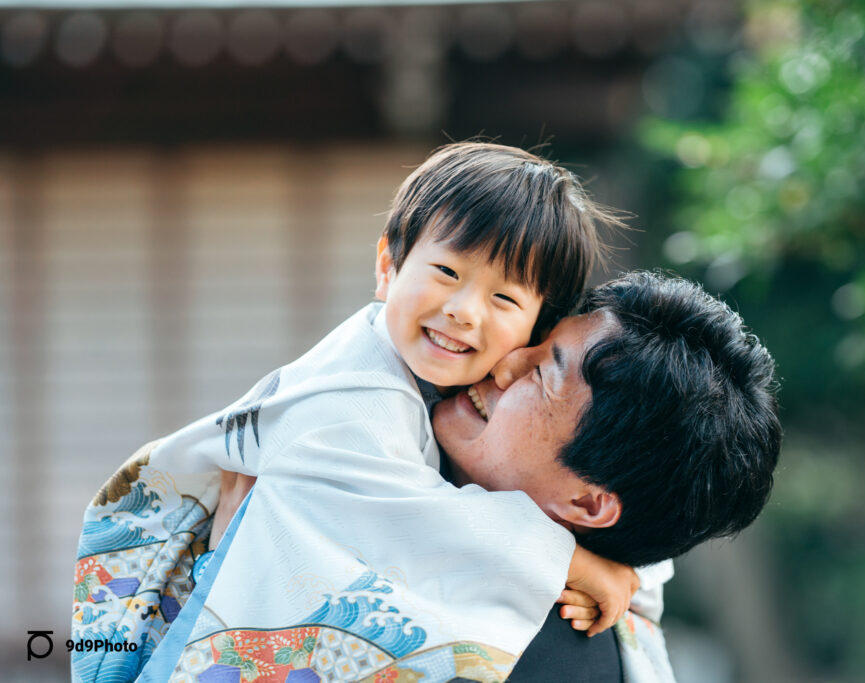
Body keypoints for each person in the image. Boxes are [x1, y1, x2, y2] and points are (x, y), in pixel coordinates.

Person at [72, 142, 644, 683]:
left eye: (504, 298)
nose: (463, 310)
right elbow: (415, 517)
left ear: (534, 328)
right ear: (387, 266)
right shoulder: (354, 390)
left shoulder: (432, 387)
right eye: (447, 272)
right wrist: (576, 564)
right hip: (175, 601)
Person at [213, 270, 783, 680]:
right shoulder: (374, 450)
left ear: (588, 504)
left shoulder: (530, 650)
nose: (506, 361)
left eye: (542, 374)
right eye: (535, 343)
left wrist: (235, 583)